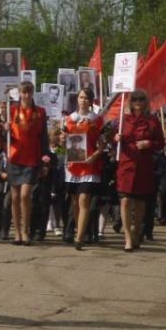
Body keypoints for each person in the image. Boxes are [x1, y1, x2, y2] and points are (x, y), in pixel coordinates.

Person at [114, 89, 164, 252]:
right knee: (125, 200)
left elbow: (161, 143)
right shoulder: (123, 120)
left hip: (144, 166)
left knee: (141, 203)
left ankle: (136, 232)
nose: (138, 102)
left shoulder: (152, 121)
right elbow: (113, 141)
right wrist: (116, 139)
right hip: (126, 165)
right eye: (134, 99)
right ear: (130, 101)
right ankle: (127, 237)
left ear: (145, 102)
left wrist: (149, 144)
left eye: (141, 99)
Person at [1, 80, 49, 246]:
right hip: (14, 157)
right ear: (19, 93)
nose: (26, 95)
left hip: (31, 158)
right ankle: (17, 232)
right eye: (23, 92)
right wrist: (4, 129)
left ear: (32, 93)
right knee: (14, 197)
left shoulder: (40, 112)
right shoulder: (12, 110)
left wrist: (45, 158)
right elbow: (4, 138)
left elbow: (44, 137)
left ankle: (26, 229)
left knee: (25, 195)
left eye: (29, 92)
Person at [63, 88, 104, 250]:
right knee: (75, 203)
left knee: (84, 200)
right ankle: (79, 231)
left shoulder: (97, 120)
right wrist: (61, 139)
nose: (83, 101)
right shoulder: (69, 119)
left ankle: (79, 238)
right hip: (72, 166)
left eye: (86, 98)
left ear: (91, 101)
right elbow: (63, 142)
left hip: (88, 165)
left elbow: (102, 144)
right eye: (81, 97)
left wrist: (95, 155)